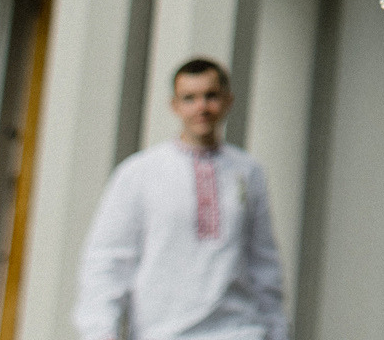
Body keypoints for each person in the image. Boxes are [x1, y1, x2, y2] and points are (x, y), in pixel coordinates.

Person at [76, 58, 289, 340]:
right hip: (163, 331)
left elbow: (263, 261)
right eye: (189, 98)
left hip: (238, 330)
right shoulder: (140, 173)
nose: (201, 107)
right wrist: (100, 331)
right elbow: (108, 261)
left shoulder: (248, 172)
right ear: (175, 105)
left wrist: (277, 330)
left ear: (228, 101)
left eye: (210, 96)